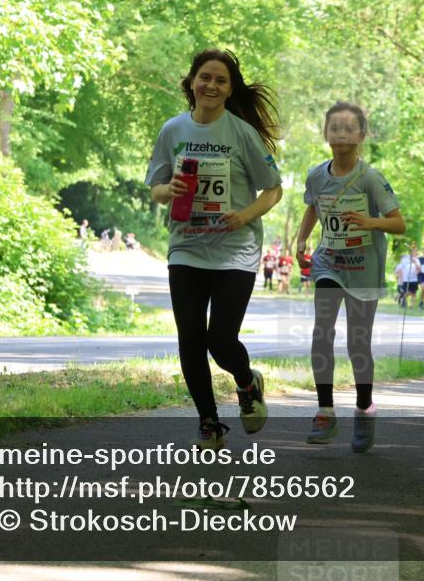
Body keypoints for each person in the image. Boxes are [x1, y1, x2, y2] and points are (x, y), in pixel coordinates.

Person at [145, 48, 283, 450]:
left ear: (229, 89)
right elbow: (155, 187)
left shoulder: (241, 133)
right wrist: (167, 190)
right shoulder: (173, 130)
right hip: (187, 247)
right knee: (190, 337)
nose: (212, 85)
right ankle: (208, 423)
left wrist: (244, 215)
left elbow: (273, 189)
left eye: (221, 80)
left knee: (220, 340)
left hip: (235, 250)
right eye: (205, 77)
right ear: (191, 82)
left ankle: (246, 380)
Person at [293, 101, 405, 452]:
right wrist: (301, 239)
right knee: (321, 330)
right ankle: (325, 411)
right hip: (329, 261)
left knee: (358, 343)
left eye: (348, 128)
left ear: (361, 136)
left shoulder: (370, 178)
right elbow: (314, 206)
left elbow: (398, 223)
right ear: (325, 133)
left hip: (364, 267)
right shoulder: (316, 174)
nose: (340, 133)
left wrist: (370, 222)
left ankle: (364, 409)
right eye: (334, 127)